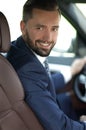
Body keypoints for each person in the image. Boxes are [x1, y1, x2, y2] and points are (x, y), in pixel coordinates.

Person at [6, 0, 86, 129]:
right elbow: (60, 126)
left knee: (68, 99)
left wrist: (71, 72)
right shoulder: (26, 68)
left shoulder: (18, 49)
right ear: (23, 27)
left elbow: (41, 82)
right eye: (40, 28)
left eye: (54, 29)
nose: (48, 37)